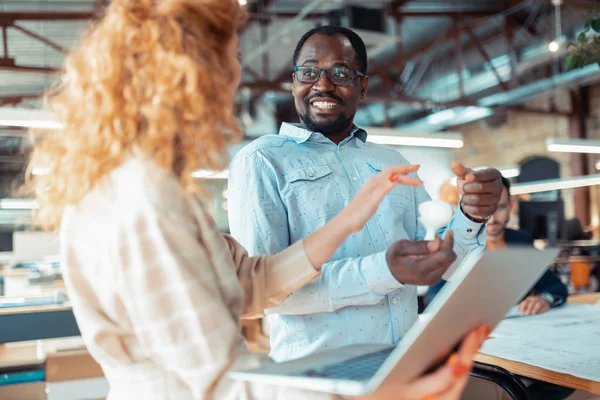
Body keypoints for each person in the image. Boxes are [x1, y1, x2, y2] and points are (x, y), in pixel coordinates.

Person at [26, 1, 489, 399]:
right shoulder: (144, 203)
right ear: (191, 74)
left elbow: (252, 281)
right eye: (232, 60)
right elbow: (223, 383)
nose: (234, 77)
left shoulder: (154, 189)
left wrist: (348, 220)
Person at [228, 25, 502, 362]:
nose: (323, 84)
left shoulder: (391, 163)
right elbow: (265, 291)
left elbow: (443, 264)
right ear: (295, 81)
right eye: (309, 71)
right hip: (321, 376)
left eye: (340, 72)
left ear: (363, 86)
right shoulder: (262, 160)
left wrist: (471, 214)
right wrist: (383, 272)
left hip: (404, 365)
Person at [427, 177, 568, 315]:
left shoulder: (521, 240)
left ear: (511, 205)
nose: (492, 218)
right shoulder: (453, 244)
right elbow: (434, 298)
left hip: (518, 328)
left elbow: (556, 287)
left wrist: (545, 299)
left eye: (499, 207)